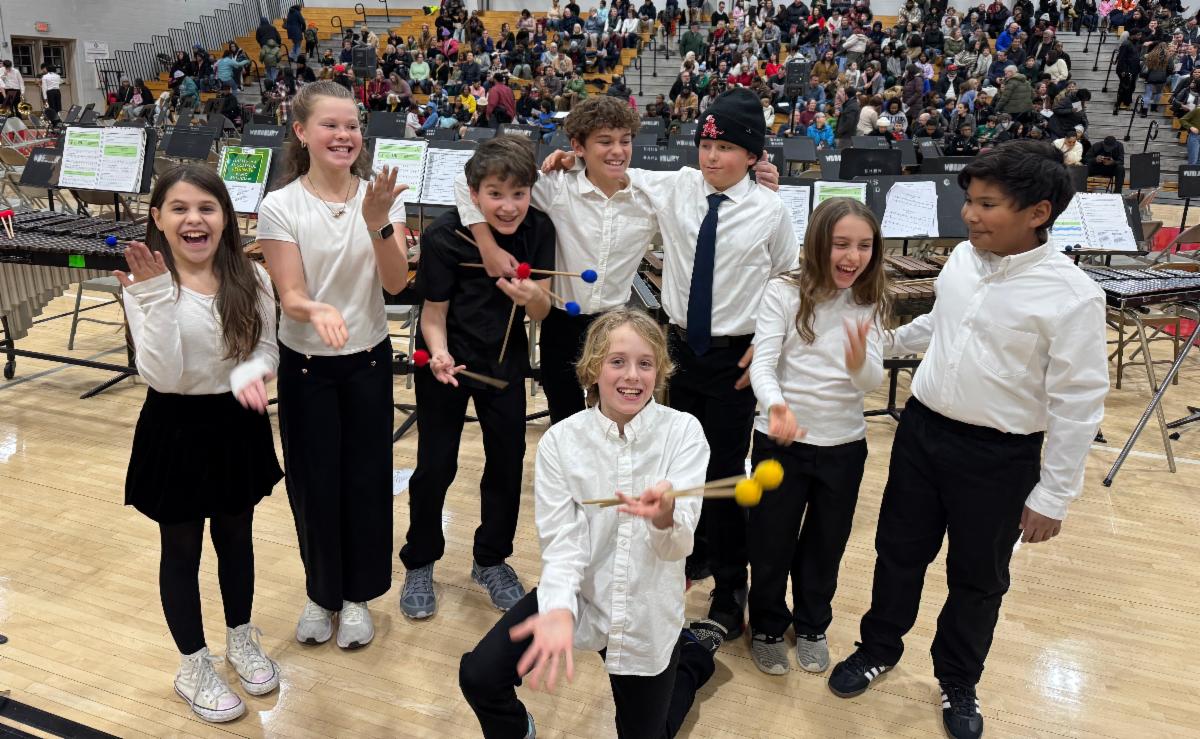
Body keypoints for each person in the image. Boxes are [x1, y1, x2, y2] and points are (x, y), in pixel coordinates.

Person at [827, 140, 1109, 739]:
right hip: (923, 433)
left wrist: (1054, 494)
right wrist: (883, 343)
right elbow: (942, 325)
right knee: (898, 553)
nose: (970, 215)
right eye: (969, 201)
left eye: (987, 204)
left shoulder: (1072, 296)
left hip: (1000, 458)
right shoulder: (961, 260)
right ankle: (879, 646)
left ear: (1038, 213)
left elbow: (1079, 403)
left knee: (978, 579)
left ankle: (959, 677)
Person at [458, 308, 725, 739]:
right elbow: (562, 545)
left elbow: (678, 549)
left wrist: (664, 517)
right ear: (593, 369)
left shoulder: (684, 433)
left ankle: (690, 659)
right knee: (480, 675)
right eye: (617, 361)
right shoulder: (561, 442)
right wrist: (560, 609)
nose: (632, 376)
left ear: (659, 371)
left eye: (645, 363)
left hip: (645, 606)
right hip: (581, 591)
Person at [117, 165, 282, 723]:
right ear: (158, 219)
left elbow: (268, 350)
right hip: (176, 425)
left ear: (226, 218)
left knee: (237, 536)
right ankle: (193, 664)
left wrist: (250, 375)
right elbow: (161, 374)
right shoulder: (146, 287)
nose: (195, 218)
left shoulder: (252, 278)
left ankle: (240, 636)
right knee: (181, 548)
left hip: (236, 422)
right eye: (180, 208)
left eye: (207, 207)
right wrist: (156, 297)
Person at [257, 81, 410, 650]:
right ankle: (321, 593)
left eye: (352, 126)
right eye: (330, 125)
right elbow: (290, 294)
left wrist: (378, 221)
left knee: (366, 482)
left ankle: (357, 598)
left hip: (369, 359)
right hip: (307, 369)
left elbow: (396, 283)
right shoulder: (281, 206)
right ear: (301, 133)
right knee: (315, 484)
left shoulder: (377, 197)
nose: (344, 135)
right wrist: (314, 309)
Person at [399, 136, 555, 620]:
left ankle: (491, 559)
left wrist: (530, 294)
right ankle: (420, 560)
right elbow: (433, 313)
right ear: (474, 192)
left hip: (503, 366)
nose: (508, 206)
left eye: (518, 194)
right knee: (434, 467)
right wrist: (440, 356)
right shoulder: (446, 235)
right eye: (494, 194)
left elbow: (544, 310)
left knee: (506, 465)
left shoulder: (540, 228)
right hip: (447, 364)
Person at [745, 197, 886, 676]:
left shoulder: (870, 300)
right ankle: (765, 623)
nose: (853, 256)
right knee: (771, 541)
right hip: (780, 442)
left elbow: (870, 382)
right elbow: (763, 365)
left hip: (844, 446)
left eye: (864, 246)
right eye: (842, 244)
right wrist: (777, 406)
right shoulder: (783, 293)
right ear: (819, 243)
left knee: (827, 544)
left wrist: (858, 361)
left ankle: (811, 623)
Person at [454, 96, 658, 426]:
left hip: (616, 322)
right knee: (565, 418)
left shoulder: (650, 195)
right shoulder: (555, 189)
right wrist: (487, 245)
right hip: (561, 322)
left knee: (619, 418)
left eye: (625, 140)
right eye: (604, 142)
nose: (618, 151)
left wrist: (758, 171)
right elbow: (467, 183)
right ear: (578, 145)